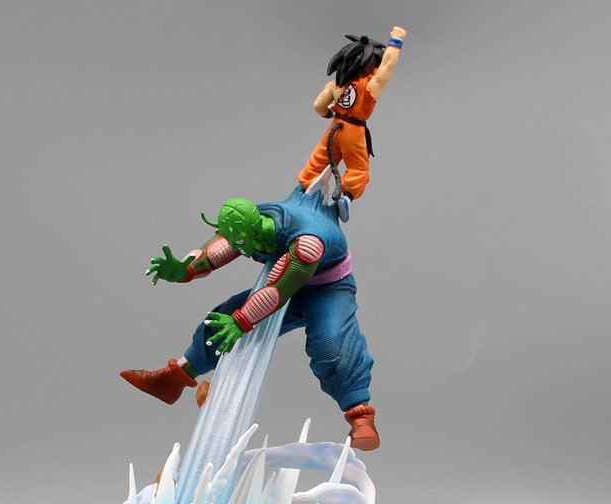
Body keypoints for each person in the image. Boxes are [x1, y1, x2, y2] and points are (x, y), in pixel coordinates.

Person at [120, 186, 380, 450]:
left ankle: (361, 416)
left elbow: (276, 292)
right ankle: (173, 380)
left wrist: (240, 322)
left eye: (240, 243)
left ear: (254, 231)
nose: (238, 249)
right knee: (219, 320)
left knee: (331, 343)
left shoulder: (308, 243)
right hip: (285, 279)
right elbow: (217, 251)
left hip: (329, 288)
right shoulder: (250, 225)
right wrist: (184, 269)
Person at [298, 26, 406, 222]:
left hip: (335, 126)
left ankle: (305, 188)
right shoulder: (370, 87)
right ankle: (346, 196)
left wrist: (329, 113)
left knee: (319, 159)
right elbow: (388, 65)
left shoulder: (335, 85)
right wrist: (396, 41)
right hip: (354, 130)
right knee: (358, 168)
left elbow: (318, 106)